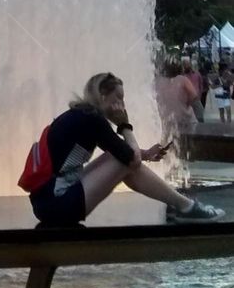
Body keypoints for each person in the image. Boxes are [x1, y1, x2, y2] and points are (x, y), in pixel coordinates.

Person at [22, 71, 223, 226]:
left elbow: (120, 154)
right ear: (102, 96)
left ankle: (177, 204)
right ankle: (185, 207)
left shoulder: (81, 115)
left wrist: (144, 154)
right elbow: (130, 160)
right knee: (126, 161)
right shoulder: (92, 119)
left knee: (120, 158)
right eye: (117, 98)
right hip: (58, 205)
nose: (122, 104)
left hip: (48, 203)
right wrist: (124, 124)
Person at [156, 58, 200, 134]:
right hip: (185, 118)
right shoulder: (183, 80)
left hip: (167, 119)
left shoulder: (158, 82)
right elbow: (194, 96)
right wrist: (186, 103)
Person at [181, 56, 206, 123]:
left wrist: (199, 95)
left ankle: (201, 130)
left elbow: (201, 85)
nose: (187, 66)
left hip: (196, 99)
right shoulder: (181, 76)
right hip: (186, 101)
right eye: (185, 64)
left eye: (188, 64)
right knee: (187, 119)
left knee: (200, 117)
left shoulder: (197, 74)